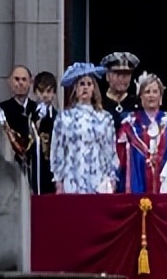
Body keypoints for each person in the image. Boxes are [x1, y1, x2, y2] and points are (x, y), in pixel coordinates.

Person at [51, 63, 118, 194]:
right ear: (75, 88)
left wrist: (112, 177)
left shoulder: (105, 118)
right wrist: (58, 180)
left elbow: (110, 150)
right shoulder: (64, 118)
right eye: (82, 84)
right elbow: (57, 150)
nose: (85, 87)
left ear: (94, 88)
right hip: (72, 176)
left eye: (89, 84)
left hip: (98, 177)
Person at [117, 73, 167, 194]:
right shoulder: (129, 123)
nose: (151, 96)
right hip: (138, 183)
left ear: (160, 96)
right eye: (147, 92)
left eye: (155, 92)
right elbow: (120, 157)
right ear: (140, 96)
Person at [0, 65, 35, 177]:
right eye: (16, 79)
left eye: (24, 79)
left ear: (30, 82)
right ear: (10, 82)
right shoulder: (1, 110)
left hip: (33, 170)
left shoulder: (37, 110)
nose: (20, 83)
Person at [28, 72, 57, 194]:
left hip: (51, 167)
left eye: (49, 91)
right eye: (41, 91)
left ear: (54, 94)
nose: (45, 95)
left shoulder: (57, 117)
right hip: (33, 165)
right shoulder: (29, 115)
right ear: (35, 92)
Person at [99, 52, 141, 126]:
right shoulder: (98, 104)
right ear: (107, 76)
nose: (122, 78)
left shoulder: (138, 104)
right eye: (117, 74)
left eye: (126, 74)